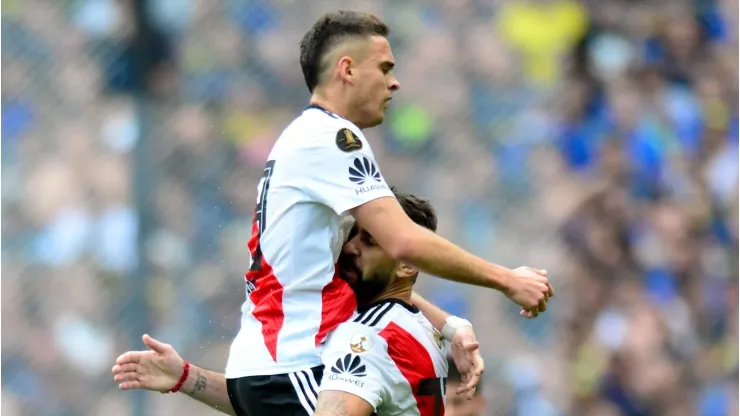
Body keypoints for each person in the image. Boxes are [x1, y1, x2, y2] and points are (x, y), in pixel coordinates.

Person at [165, 9, 551, 416]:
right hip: (300, 364)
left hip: (272, 366)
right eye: (385, 68)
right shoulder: (333, 137)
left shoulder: (302, 139)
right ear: (347, 69)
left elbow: (385, 269)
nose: (394, 81)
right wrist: (507, 280)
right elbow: (402, 242)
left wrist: (449, 325)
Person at [113, 191, 470, 415]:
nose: (348, 248)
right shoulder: (418, 326)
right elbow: (292, 402)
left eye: (370, 242)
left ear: (407, 264)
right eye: (352, 237)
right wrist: (189, 378)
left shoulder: (365, 338)